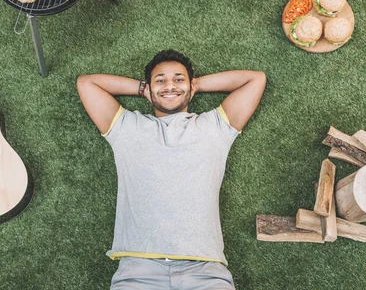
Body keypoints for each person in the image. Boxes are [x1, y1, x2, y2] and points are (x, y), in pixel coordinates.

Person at [77, 50, 266, 289]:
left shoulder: (215, 127)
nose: (169, 85)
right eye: (160, 80)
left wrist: (194, 85)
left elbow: (255, 79)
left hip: (205, 271)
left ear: (190, 86)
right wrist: (143, 88)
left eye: (178, 79)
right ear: (149, 87)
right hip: (138, 271)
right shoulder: (127, 129)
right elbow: (87, 83)